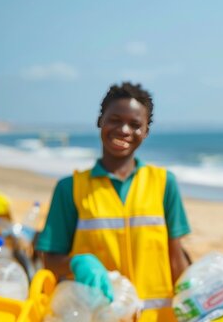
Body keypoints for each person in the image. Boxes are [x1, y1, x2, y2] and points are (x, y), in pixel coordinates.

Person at [36, 82, 191, 321]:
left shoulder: (163, 183)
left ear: (146, 131)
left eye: (135, 124)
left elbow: (176, 256)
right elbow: (50, 261)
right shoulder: (70, 189)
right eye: (115, 120)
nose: (124, 130)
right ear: (101, 121)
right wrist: (78, 262)